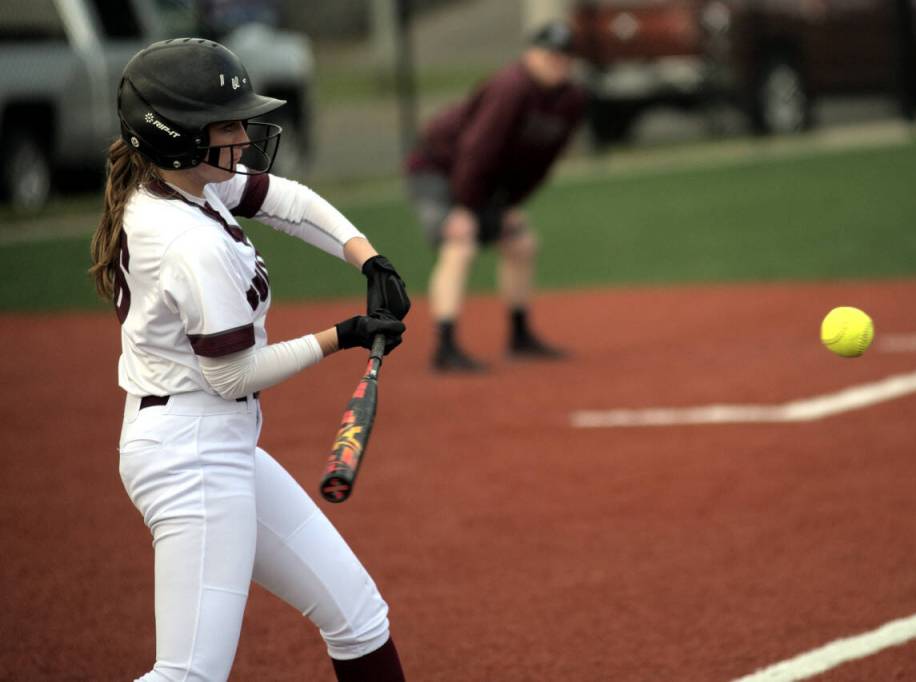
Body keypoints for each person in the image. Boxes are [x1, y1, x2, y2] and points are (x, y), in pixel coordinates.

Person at [88, 38, 410, 681]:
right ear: (175, 134)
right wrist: (342, 335)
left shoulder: (180, 186)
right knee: (188, 674)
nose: (243, 133)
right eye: (226, 122)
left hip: (211, 441)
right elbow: (232, 374)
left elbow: (285, 200)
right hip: (192, 454)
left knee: (358, 617)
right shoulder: (187, 242)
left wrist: (365, 256)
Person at [405, 20, 587, 372]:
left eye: (565, 56)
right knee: (461, 241)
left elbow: (541, 162)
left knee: (521, 243)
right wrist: (461, 208)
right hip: (437, 169)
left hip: (478, 179)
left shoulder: (572, 100)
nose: (557, 62)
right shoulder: (511, 88)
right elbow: (477, 149)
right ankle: (445, 346)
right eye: (550, 54)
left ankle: (519, 336)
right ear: (531, 54)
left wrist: (508, 207)